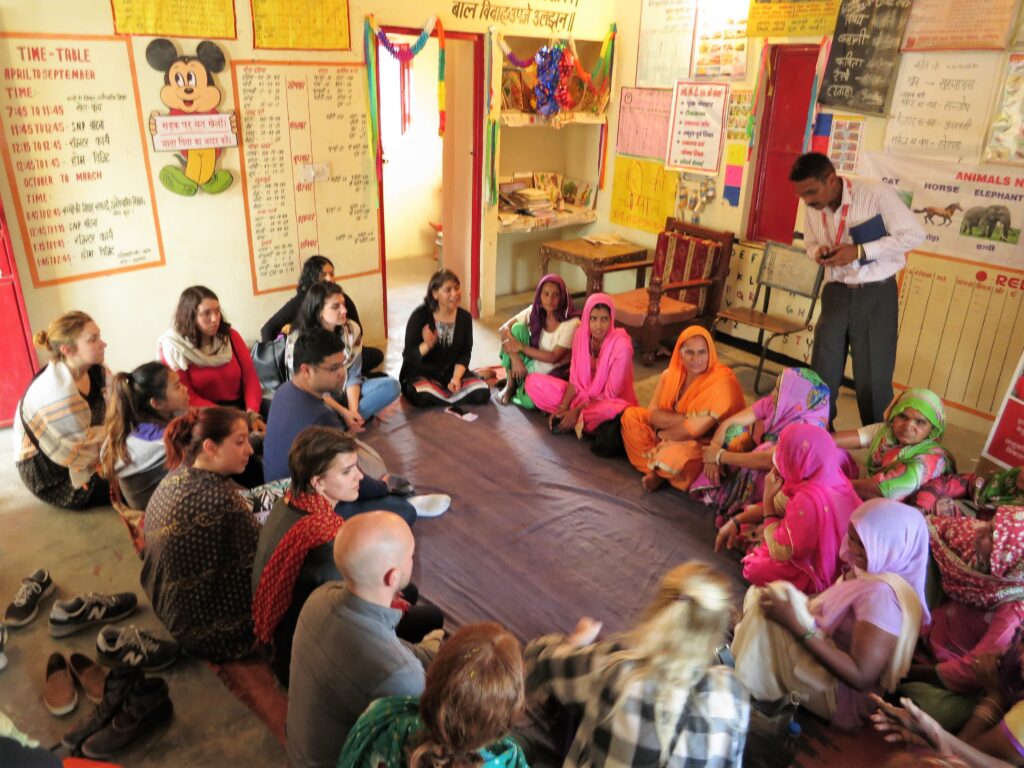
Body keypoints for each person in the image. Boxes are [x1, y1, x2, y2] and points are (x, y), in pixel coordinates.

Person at [251, 427, 441, 686]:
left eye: (356, 467)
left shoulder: (289, 504)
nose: (359, 477)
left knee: (408, 592)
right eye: (347, 471)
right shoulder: (327, 545)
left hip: (285, 634)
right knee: (432, 617)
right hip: (305, 655)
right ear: (318, 482)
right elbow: (355, 622)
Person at [524, 561, 749, 767]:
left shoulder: (621, 669)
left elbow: (539, 660)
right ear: (717, 628)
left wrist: (575, 639)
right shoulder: (733, 693)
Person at [732, 498, 931, 729]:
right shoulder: (874, 575)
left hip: (837, 696)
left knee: (765, 609)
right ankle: (749, 651)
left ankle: (740, 686)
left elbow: (860, 676)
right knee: (764, 597)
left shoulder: (883, 598)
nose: (853, 549)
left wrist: (797, 626)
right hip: (825, 661)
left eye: (863, 544)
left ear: (892, 546)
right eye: (853, 539)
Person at [287, 511, 442, 768]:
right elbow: (427, 744)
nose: (413, 560)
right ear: (393, 577)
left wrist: (435, 655)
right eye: (411, 555)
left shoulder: (320, 597)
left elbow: (394, 647)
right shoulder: (401, 676)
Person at [791, 152, 925, 427]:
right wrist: (820, 251)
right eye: (802, 195)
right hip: (836, 294)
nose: (807, 201)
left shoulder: (874, 194)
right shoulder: (813, 206)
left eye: (811, 192)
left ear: (831, 179)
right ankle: (818, 437)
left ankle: (880, 446)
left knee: (873, 379)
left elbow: (914, 235)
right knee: (822, 372)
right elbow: (810, 244)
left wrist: (861, 251)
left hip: (875, 295)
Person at [140, 407, 259, 662]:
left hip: (169, 608)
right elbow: (264, 560)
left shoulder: (180, 472)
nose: (249, 449)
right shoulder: (220, 500)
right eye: (240, 442)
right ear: (210, 447)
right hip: (212, 633)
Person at [262, 328, 416, 525]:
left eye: (343, 364)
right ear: (307, 370)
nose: (342, 373)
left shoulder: (284, 391)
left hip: (279, 494)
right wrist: (382, 488)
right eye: (333, 368)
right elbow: (353, 478)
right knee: (405, 511)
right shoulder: (321, 418)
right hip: (305, 510)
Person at [899, 508, 1024, 732]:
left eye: (991, 534)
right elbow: (938, 529)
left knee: (929, 705)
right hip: (936, 635)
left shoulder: (1014, 611)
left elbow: (974, 670)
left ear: (1008, 556)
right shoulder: (992, 574)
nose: (979, 530)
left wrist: (909, 671)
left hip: (963, 675)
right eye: (988, 525)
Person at [338, 622, 529, 768]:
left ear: (432, 674)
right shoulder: (510, 758)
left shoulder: (384, 720)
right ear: (503, 724)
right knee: (528, 745)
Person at [717, 424, 862, 595]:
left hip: (819, 572)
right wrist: (737, 520)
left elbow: (779, 551)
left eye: (785, 452)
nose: (780, 459)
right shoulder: (829, 473)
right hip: (837, 561)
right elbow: (781, 505)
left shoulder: (807, 500)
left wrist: (767, 498)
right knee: (754, 522)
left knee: (754, 568)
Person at [691, 367, 831, 519]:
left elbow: (769, 459)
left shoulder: (809, 426)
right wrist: (714, 448)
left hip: (784, 477)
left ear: (795, 397)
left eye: (780, 390)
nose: (773, 393)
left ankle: (739, 503)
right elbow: (730, 423)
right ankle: (725, 490)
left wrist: (719, 456)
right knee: (734, 432)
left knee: (764, 450)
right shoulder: (775, 404)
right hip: (762, 460)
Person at [620, 326, 743, 492]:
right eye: (689, 352)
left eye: (702, 352)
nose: (696, 358)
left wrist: (659, 434)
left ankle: (660, 468)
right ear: (679, 353)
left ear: (711, 353)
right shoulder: (670, 375)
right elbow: (652, 414)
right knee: (630, 416)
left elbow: (693, 431)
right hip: (670, 432)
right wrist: (684, 419)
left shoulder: (721, 382)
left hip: (705, 442)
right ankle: (661, 470)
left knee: (676, 455)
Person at [14, 311, 111, 510]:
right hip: (52, 472)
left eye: (99, 336)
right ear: (68, 350)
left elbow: (115, 413)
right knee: (134, 479)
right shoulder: (56, 393)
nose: (103, 343)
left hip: (87, 449)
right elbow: (76, 448)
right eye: (93, 340)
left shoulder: (96, 371)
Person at [526, 293, 639, 437]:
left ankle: (576, 420)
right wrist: (562, 407)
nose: (598, 326)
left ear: (611, 320)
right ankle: (581, 423)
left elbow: (611, 395)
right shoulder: (581, 336)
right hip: (580, 397)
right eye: (593, 319)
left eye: (604, 319)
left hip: (606, 402)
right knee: (533, 382)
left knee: (614, 411)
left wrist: (577, 411)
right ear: (586, 318)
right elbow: (574, 382)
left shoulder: (621, 346)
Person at [288, 281, 399, 428]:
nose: (344, 310)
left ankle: (349, 422)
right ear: (318, 311)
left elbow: (353, 376)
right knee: (312, 414)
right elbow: (306, 387)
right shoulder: (298, 339)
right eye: (335, 307)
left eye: (343, 304)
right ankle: (344, 422)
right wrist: (343, 411)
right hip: (317, 397)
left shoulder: (352, 330)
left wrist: (352, 410)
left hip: (343, 388)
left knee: (391, 386)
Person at [158, 285, 266, 426]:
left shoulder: (230, 337)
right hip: (204, 415)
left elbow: (250, 379)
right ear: (190, 316)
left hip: (243, 407)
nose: (215, 319)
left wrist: (252, 414)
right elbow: (187, 397)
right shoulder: (175, 348)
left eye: (217, 311)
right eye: (206, 313)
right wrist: (236, 418)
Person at [260, 254, 384, 373]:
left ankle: (345, 377)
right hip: (314, 358)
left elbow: (358, 332)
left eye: (332, 274)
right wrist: (274, 363)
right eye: (323, 275)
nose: (329, 278)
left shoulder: (340, 297)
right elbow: (267, 329)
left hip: (341, 353)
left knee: (375, 356)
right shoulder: (300, 302)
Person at [834, 388, 954, 502]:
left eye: (920, 422)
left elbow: (885, 490)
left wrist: (832, 483)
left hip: (904, 514)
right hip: (869, 497)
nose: (908, 426)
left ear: (932, 429)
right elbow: (829, 440)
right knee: (834, 455)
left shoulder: (931, 459)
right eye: (902, 416)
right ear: (893, 416)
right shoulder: (886, 433)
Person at [100, 362, 190, 510]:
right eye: (178, 386)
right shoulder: (163, 441)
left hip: (154, 508)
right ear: (156, 403)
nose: (185, 389)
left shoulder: (129, 422)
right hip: (165, 517)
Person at [400, 269, 490, 408]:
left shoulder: (464, 318)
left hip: (449, 373)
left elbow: (465, 353)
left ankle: (443, 395)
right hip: (422, 373)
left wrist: (456, 378)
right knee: (421, 396)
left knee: (482, 393)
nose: (454, 294)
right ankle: (450, 396)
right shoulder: (420, 316)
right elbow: (408, 356)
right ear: (435, 294)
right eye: (448, 290)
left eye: (457, 288)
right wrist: (427, 345)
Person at [496, 274, 580, 408]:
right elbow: (503, 329)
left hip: (553, 373)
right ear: (539, 296)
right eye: (545, 294)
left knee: (530, 403)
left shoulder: (572, 323)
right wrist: (516, 358)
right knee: (516, 329)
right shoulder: (535, 311)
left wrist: (520, 347)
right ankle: (510, 384)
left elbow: (554, 357)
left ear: (563, 297)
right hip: (531, 363)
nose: (550, 299)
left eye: (555, 295)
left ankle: (521, 386)